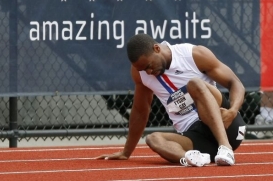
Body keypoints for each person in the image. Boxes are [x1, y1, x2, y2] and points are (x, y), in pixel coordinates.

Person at [97, 33, 246, 167]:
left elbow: (235, 83)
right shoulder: (140, 74)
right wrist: (126, 152)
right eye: (143, 70)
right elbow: (141, 111)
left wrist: (233, 111)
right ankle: (192, 159)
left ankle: (225, 148)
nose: (148, 72)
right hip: (197, 137)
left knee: (194, 84)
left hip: (226, 124)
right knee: (153, 139)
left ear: (156, 48)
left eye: (149, 66)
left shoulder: (193, 55)